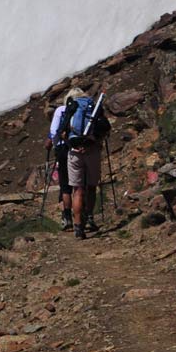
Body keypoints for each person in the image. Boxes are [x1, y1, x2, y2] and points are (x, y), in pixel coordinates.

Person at [65, 89, 111, 240]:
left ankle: (78, 228)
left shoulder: (70, 108)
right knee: (91, 187)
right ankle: (90, 217)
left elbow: (62, 133)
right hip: (92, 150)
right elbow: (103, 127)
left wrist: (71, 145)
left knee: (77, 190)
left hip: (74, 152)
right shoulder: (94, 107)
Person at [46, 90, 80, 230]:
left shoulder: (61, 110)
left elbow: (54, 132)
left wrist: (54, 143)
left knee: (65, 186)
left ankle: (67, 218)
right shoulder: (82, 110)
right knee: (79, 185)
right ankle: (83, 216)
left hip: (62, 149)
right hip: (80, 147)